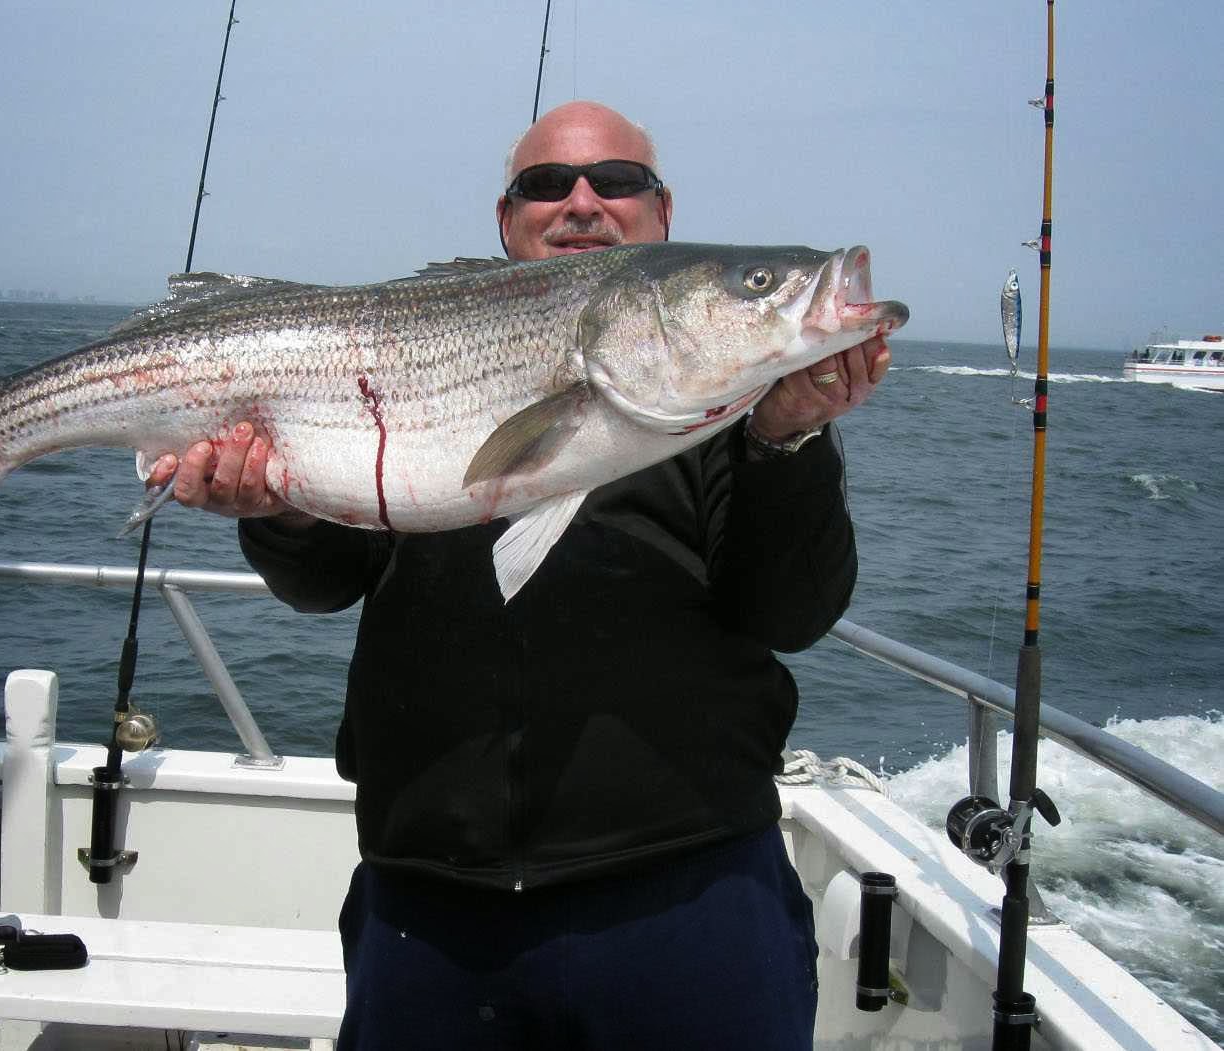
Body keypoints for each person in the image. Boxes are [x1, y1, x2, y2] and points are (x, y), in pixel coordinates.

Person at [149, 100, 890, 1049]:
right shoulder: (412, 359)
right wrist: (279, 507)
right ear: (507, 224)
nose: (582, 202)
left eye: (616, 182)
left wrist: (787, 441)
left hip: (691, 885)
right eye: (547, 185)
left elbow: (789, 611)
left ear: (663, 218)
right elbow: (324, 581)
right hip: (431, 901)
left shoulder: (745, 417)